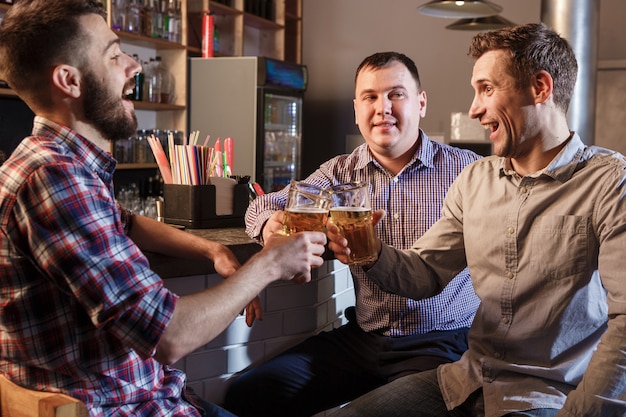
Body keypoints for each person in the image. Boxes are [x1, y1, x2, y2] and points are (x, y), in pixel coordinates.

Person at [0, 1, 327, 416]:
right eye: (114, 54)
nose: (133, 65)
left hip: (149, 399)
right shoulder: (55, 180)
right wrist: (267, 264)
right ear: (69, 81)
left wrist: (212, 250)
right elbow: (170, 336)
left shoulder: (57, 164)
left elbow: (127, 222)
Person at [326, 23, 626, 417]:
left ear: (540, 87)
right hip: (465, 380)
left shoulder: (611, 182)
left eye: (487, 89)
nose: (473, 109)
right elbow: (425, 273)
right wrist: (371, 250)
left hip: (549, 396)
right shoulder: (475, 180)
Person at [223, 52, 482, 417]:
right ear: (356, 108)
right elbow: (262, 206)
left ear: (421, 103)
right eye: (370, 97)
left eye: (396, 94)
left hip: (440, 342)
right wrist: (273, 229)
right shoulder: (339, 172)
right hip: (364, 338)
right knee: (249, 394)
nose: (382, 108)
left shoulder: (466, 170)